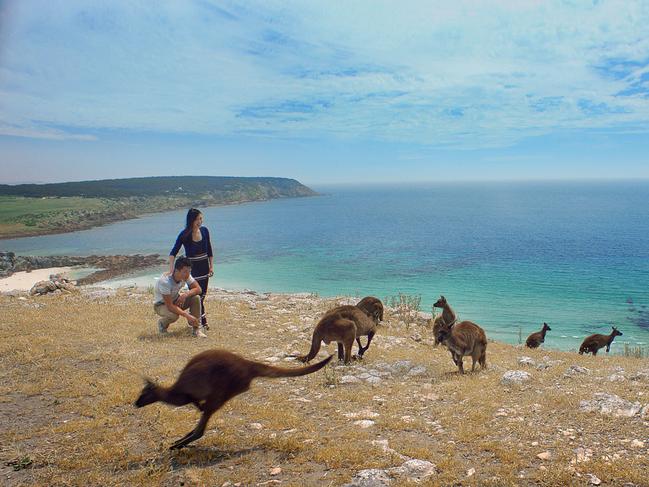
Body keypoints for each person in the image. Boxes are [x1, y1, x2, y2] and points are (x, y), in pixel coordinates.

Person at [169, 208, 214, 329]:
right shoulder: (184, 235)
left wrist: (211, 267)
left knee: (203, 295)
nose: (200, 221)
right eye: (198, 219)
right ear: (192, 220)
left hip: (204, 268)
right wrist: (171, 269)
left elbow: (209, 250)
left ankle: (195, 318)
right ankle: (202, 322)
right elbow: (173, 252)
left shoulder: (205, 231)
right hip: (192, 270)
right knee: (197, 296)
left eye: (201, 219)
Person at [154, 256, 207, 338]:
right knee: (174, 315)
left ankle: (196, 329)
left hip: (176, 300)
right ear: (176, 270)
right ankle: (162, 324)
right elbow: (170, 306)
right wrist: (187, 315)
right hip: (161, 305)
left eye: (189, 271)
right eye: (185, 271)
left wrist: (185, 295)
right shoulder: (165, 282)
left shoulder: (186, 276)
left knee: (196, 298)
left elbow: (198, 289)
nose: (188, 274)